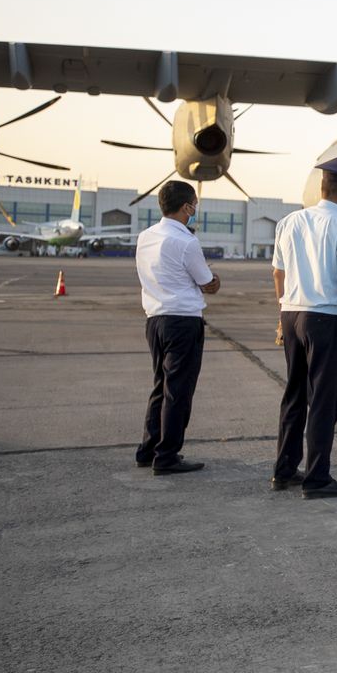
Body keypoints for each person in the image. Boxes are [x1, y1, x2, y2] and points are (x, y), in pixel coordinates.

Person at [271, 155, 337, 499]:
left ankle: (284, 469)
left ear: (322, 187)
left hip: (292, 314)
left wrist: (282, 316)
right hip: (325, 320)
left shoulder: (289, 221)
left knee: (295, 395)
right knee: (324, 401)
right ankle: (317, 478)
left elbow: (278, 274)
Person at [133, 181, 220, 476]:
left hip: (155, 320)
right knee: (178, 391)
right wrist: (214, 281)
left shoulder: (145, 237)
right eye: (194, 204)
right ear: (186, 207)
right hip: (182, 322)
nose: (195, 210)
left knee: (160, 386)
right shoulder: (186, 242)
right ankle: (167, 455)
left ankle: (148, 448)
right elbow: (207, 282)